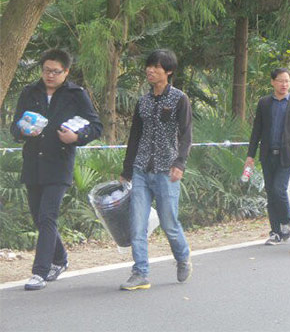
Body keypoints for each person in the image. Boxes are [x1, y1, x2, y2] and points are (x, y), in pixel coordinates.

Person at [10, 49, 102, 291]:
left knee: (48, 215)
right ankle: (60, 259)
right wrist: (22, 131)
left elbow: (96, 126)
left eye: (55, 72)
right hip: (33, 163)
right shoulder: (30, 92)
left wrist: (76, 136)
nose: (49, 76)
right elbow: (14, 126)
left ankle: (40, 272)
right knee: (39, 217)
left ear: (66, 72)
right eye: (46, 70)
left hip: (60, 164)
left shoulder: (75, 94)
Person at [120, 49, 193, 290]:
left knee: (169, 223)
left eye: (156, 67)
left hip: (167, 171)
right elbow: (135, 137)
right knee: (137, 224)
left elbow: (185, 136)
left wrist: (179, 163)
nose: (150, 70)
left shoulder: (179, 99)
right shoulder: (143, 101)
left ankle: (182, 257)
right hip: (141, 169)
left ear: (168, 71)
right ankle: (140, 272)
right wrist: (127, 169)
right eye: (149, 66)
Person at [245, 68, 290, 245]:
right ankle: (275, 232)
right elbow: (256, 131)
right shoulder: (264, 103)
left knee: (279, 190)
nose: (284, 85)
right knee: (270, 193)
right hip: (267, 154)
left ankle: (286, 221)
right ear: (273, 82)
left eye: (287, 81)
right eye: (281, 81)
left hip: (287, 155)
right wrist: (250, 155)